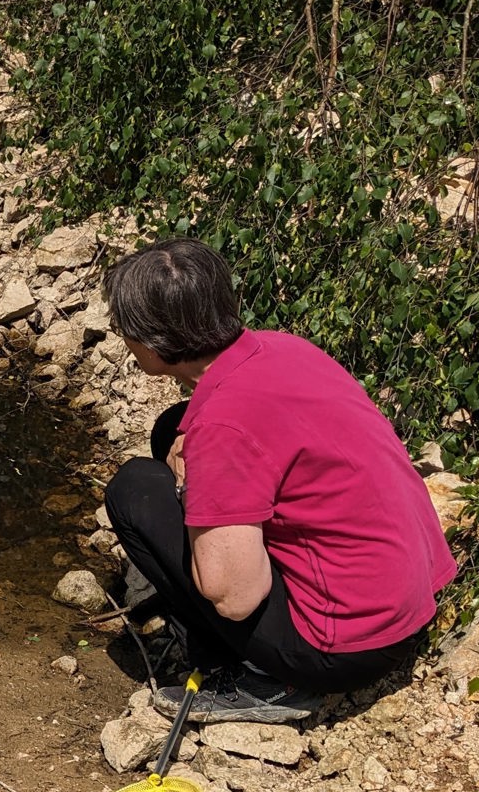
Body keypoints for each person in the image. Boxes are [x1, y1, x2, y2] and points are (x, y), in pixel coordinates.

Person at [100, 238, 457, 724]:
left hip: (344, 648)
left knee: (134, 489)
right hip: (403, 599)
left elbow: (234, 598)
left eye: (123, 330)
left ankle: (258, 677)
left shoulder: (223, 428)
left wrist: (190, 489)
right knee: (171, 427)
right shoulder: (283, 348)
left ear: (153, 341)